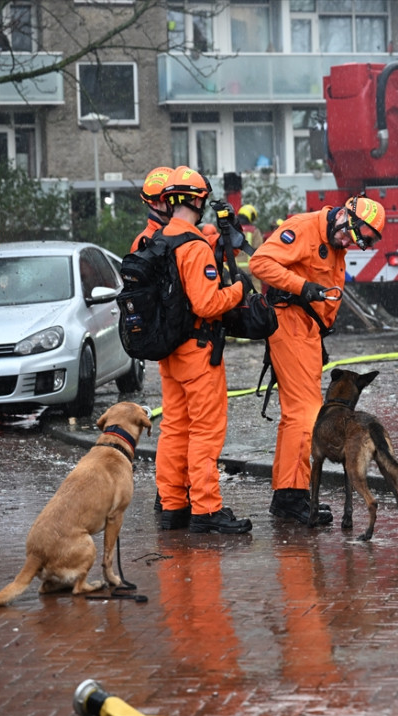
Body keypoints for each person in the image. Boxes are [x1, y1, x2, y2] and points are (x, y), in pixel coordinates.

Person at [248, 195, 386, 525]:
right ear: (344, 216)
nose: (348, 244)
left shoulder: (336, 243)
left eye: (356, 242)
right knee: (305, 414)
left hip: (307, 332)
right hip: (290, 326)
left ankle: (287, 495)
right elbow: (260, 263)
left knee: (295, 416)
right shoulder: (303, 229)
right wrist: (302, 286)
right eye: (350, 235)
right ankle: (294, 496)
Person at [154, 166, 251, 534]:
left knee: (175, 430)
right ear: (197, 200)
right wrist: (239, 290)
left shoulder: (160, 240)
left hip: (170, 352)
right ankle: (207, 510)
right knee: (205, 433)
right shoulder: (193, 247)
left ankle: (174, 507)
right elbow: (208, 304)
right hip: (198, 351)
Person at [130, 166, 173, 253]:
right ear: (155, 204)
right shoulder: (144, 243)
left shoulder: (177, 234)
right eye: (171, 200)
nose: (179, 204)